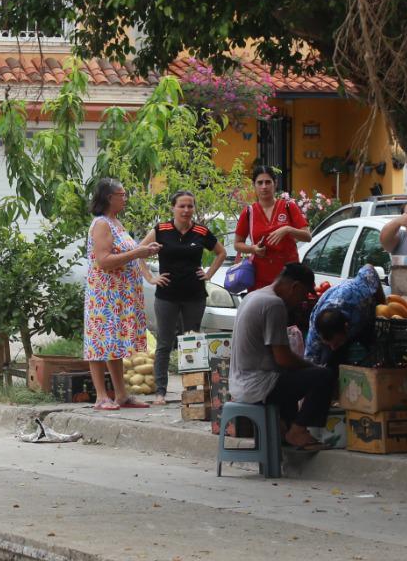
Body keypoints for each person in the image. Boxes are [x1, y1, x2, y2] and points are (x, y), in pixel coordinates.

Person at [228, 262, 337, 451]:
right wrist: (312, 367)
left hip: (240, 383)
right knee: (324, 376)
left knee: (291, 378)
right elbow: (283, 358)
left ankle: (285, 429)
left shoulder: (254, 295)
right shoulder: (273, 304)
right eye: (302, 295)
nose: (300, 301)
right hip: (258, 385)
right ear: (295, 287)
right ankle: (298, 431)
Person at [139, 190, 226, 402]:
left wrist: (208, 274)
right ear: (173, 208)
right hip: (166, 295)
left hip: (194, 295)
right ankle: (160, 391)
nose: (186, 210)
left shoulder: (201, 231)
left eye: (190, 206)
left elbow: (221, 253)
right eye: (182, 206)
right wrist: (150, 278)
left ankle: (193, 390)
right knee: (164, 343)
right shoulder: (161, 230)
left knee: (192, 341)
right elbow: (139, 251)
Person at [83, 177, 159, 411]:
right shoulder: (102, 224)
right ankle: (100, 396)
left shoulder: (116, 222)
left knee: (113, 345)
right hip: (105, 295)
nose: (125, 198)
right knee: (99, 343)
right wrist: (138, 253)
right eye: (121, 195)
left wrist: (141, 251)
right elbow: (104, 260)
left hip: (118, 297)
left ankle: (121, 394)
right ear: (109, 197)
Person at [233, 164, 309, 292]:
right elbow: (237, 244)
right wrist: (253, 249)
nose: (264, 187)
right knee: (261, 311)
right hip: (259, 278)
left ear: (275, 183)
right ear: (254, 185)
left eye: (268, 182)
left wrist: (287, 229)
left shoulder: (288, 207)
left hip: (288, 277)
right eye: (260, 183)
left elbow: (307, 236)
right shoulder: (248, 212)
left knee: (286, 311)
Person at [304, 263, 384, 368]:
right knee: (328, 364)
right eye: (329, 343)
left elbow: (368, 268)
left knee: (377, 356)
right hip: (344, 324)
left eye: (336, 343)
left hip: (363, 317)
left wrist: (382, 303)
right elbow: (310, 361)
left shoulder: (360, 295)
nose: (333, 347)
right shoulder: (315, 332)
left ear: (346, 327)